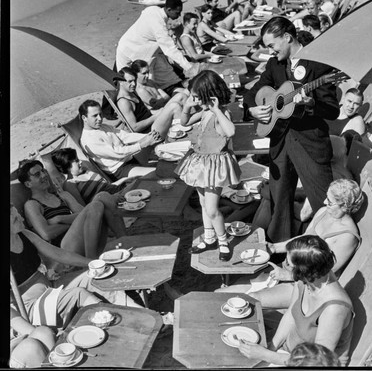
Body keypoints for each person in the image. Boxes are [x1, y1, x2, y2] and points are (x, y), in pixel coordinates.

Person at [244, 17, 339, 242]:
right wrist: (252, 110)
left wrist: (312, 104)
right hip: (280, 140)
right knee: (279, 200)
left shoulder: (318, 64)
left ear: (287, 38)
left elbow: (332, 111)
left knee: (322, 202)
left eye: (272, 45)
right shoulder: (275, 64)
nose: (270, 51)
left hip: (309, 143)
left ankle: (329, 250)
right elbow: (252, 94)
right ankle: (279, 248)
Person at [219, 179, 362, 308]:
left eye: (330, 201)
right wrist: (274, 248)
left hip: (303, 284)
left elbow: (325, 273)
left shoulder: (347, 237)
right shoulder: (324, 212)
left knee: (248, 300)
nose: (325, 202)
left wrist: (289, 276)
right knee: (221, 294)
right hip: (284, 270)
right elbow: (303, 238)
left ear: (345, 206)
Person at [10, 206, 138, 331]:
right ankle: (119, 325)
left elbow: (60, 254)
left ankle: (139, 313)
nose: (21, 219)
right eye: (16, 219)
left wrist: (94, 263)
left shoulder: (25, 235)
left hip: (51, 288)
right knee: (78, 294)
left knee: (94, 276)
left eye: (18, 215)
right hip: (33, 307)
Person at [237, 235, 354, 366]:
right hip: (288, 353)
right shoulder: (307, 281)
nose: (285, 266)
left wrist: (266, 356)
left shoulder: (334, 309)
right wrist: (271, 348)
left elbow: (318, 360)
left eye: (289, 264)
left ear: (304, 271)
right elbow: (290, 317)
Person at [175, 71, 241, 261]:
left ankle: (223, 241)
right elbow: (184, 122)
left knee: (212, 208)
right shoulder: (204, 112)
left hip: (215, 166)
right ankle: (210, 236)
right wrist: (187, 106)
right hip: (201, 163)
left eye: (197, 97)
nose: (194, 100)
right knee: (204, 203)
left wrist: (217, 110)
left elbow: (230, 131)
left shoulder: (222, 113)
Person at [18, 159, 126, 257]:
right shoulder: (32, 205)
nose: (43, 175)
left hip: (84, 236)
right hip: (65, 247)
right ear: (28, 184)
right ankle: (92, 261)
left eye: (43, 171)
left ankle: (125, 240)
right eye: (37, 174)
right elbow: (47, 234)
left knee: (103, 196)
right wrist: (71, 221)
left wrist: (60, 219)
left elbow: (85, 213)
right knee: (97, 203)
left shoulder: (62, 195)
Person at [115, 0, 200, 80]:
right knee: (125, 80)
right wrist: (189, 67)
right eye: (177, 13)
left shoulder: (153, 9)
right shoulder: (159, 26)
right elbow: (170, 49)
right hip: (127, 50)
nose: (179, 15)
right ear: (169, 10)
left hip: (131, 45)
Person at [79, 99, 161, 179]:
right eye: (95, 116)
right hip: (119, 169)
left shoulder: (103, 127)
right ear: (84, 118)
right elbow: (117, 152)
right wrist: (141, 145)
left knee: (164, 163)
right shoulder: (89, 140)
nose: (100, 118)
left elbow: (125, 136)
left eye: (100, 114)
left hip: (129, 158)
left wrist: (148, 136)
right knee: (157, 173)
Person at [51, 147, 135, 208]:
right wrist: (110, 199)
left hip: (120, 192)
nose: (80, 161)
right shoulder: (70, 184)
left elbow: (109, 186)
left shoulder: (86, 171)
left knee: (140, 180)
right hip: (110, 204)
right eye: (76, 161)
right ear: (67, 166)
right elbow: (84, 208)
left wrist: (124, 179)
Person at [115, 67, 181, 139]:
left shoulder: (131, 92)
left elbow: (143, 113)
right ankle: (183, 133)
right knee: (175, 106)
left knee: (181, 96)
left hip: (153, 122)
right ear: (120, 82)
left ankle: (183, 131)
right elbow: (134, 127)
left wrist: (157, 112)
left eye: (134, 80)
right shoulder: (123, 102)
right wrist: (155, 116)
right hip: (149, 132)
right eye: (130, 81)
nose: (133, 84)